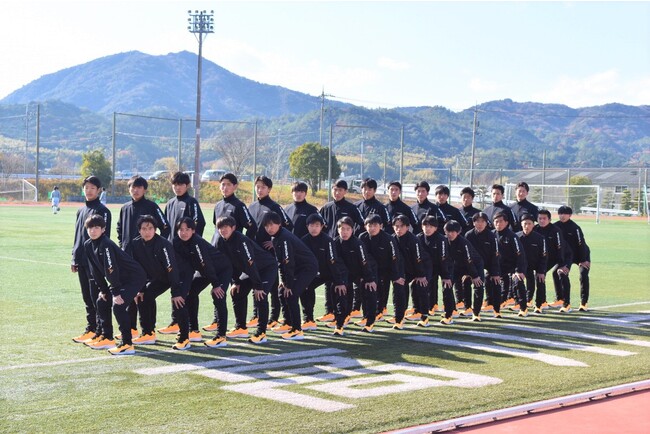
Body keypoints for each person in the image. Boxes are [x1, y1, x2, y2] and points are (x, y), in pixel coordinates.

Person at [199, 172, 257, 335]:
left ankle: (238, 326)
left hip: (232, 256)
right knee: (217, 287)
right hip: (216, 254)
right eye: (222, 184)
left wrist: (242, 245)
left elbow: (251, 226)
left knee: (230, 289)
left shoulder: (239, 205)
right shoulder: (218, 205)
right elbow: (216, 227)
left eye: (228, 184)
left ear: (235, 186)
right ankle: (217, 320)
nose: (225, 187)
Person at [128, 215, 193, 350]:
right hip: (160, 277)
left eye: (151, 228)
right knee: (144, 296)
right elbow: (137, 268)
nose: (147, 231)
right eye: (144, 229)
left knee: (178, 301)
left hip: (179, 275)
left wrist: (176, 292)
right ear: (139, 230)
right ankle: (148, 333)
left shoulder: (163, 244)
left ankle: (184, 338)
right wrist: (140, 288)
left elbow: (172, 269)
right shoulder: (135, 244)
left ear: (155, 229)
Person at [83, 215, 146, 355]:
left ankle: (127, 343)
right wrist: (104, 290)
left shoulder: (106, 244)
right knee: (101, 301)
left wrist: (116, 292)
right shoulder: (88, 245)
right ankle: (107, 337)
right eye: (90, 228)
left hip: (134, 277)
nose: (93, 231)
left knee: (118, 306)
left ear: (103, 229)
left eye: (97, 228)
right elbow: (95, 271)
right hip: (120, 279)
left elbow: (110, 269)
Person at [117, 175, 170, 338]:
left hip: (145, 260)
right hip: (127, 258)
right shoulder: (125, 207)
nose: (135, 190)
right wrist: (122, 246)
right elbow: (119, 228)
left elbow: (165, 227)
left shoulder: (151, 206)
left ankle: (148, 329)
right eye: (133, 187)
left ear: (145, 189)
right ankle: (131, 328)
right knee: (130, 293)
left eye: (139, 187)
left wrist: (155, 248)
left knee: (145, 294)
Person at [216, 216, 278, 344]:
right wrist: (236, 281)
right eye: (220, 227)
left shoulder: (241, 240)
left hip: (266, 268)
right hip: (249, 271)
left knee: (260, 295)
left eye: (226, 227)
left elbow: (251, 263)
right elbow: (228, 264)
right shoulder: (220, 241)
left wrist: (258, 286)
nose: (223, 230)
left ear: (233, 228)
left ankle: (261, 333)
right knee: (237, 292)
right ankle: (241, 328)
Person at [173, 217, 233, 347]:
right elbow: (186, 266)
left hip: (221, 269)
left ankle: (221, 336)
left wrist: (216, 285)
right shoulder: (176, 242)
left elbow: (206, 264)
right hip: (204, 269)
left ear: (193, 231)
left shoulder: (196, 242)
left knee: (218, 296)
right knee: (190, 293)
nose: (184, 233)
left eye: (187, 229)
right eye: (181, 230)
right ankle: (194, 330)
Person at [262, 212, 318, 340]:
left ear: (279, 224)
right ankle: (288, 323)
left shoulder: (284, 238)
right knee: (282, 292)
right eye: (266, 226)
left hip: (307, 268)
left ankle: (297, 330)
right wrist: (284, 281)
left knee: (291, 294)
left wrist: (289, 284)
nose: (269, 228)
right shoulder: (275, 237)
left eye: (271, 225)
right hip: (298, 268)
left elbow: (288, 263)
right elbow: (280, 261)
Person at [248, 175, 293, 330]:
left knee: (273, 286)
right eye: (258, 187)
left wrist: (275, 242)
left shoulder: (274, 206)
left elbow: (288, 225)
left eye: (263, 187)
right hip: (254, 252)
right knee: (256, 282)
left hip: (269, 254)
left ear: (269, 189)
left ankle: (273, 317)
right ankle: (256, 315)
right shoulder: (252, 206)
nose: (260, 190)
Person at [70, 176, 112, 344]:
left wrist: (100, 260)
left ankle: (102, 331)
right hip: (81, 260)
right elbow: (77, 237)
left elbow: (105, 238)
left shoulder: (103, 211)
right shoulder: (80, 211)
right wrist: (74, 257)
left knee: (98, 297)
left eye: (92, 188)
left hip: (95, 262)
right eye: (86, 187)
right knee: (87, 297)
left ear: (99, 190)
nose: (89, 191)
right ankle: (92, 328)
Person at [301, 213, 349, 329]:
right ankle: (309, 319)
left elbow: (333, 262)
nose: (314, 228)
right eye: (311, 225)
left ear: (322, 226)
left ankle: (339, 320)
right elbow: (301, 261)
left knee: (338, 288)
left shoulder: (328, 240)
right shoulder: (303, 240)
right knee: (305, 288)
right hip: (313, 274)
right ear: (307, 226)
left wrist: (339, 281)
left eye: (317, 225)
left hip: (330, 272)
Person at [334, 216, 379, 334]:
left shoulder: (358, 243)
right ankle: (339, 324)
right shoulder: (334, 243)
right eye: (342, 229)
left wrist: (370, 279)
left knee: (369, 292)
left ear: (352, 230)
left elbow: (365, 262)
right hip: (345, 274)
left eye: (347, 229)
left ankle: (369, 322)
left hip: (363, 272)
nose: (344, 232)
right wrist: (340, 281)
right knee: (341, 295)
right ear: (338, 229)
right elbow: (334, 264)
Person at [359, 214, 404, 327]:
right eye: (369, 225)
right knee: (365, 288)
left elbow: (395, 258)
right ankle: (367, 316)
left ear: (381, 226)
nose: (372, 228)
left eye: (375, 225)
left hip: (388, 269)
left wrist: (396, 276)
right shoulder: (362, 237)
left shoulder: (389, 239)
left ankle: (398, 318)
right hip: (369, 270)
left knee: (394, 289)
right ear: (365, 226)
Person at [392, 214, 431, 327]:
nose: (398, 229)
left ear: (407, 227)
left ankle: (424, 316)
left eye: (401, 226)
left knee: (421, 286)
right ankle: (399, 317)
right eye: (396, 226)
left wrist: (421, 275)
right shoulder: (392, 239)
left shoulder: (414, 240)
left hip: (422, 267)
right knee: (399, 288)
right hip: (405, 269)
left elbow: (419, 259)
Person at [444, 220, 484, 323]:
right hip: (458, 266)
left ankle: (476, 313)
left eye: (453, 232)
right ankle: (452, 310)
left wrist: (474, 276)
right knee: (447, 285)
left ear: (458, 232)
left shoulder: (464, 243)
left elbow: (469, 260)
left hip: (475, 264)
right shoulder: (444, 241)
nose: (450, 234)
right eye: (448, 231)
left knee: (478, 285)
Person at [555, 205, 591, 312]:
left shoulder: (575, 228)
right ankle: (563, 301)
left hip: (581, 254)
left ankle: (583, 303)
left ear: (570, 215)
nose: (562, 216)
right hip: (567, 255)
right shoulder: (555, 227)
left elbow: (581, 244)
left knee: (583, 274)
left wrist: (583, 259)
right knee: (559, 273)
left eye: (565, 214)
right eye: (560, 213)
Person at [465, 212, 502, 317]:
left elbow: (495, 255)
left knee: (496, 282)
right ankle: (470, 309)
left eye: (483, 221)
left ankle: (496, 309)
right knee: (467, 281)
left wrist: (495, 272)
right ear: (473, 223)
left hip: (490, 262)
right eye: (477, 221)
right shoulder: (469, 235)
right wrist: (468, 272)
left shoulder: (492, 236)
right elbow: (466, 254)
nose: (480, 224)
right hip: (473, 264)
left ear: (486, 223)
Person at [417, 216, 453, 320]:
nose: (427, 228)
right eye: (425, 226)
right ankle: (424, 310)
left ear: (436, 228)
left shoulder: (441, 239)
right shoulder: (418, 238)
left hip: (444, 266)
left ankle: (449, 314)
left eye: (430, 226)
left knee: (447, 287)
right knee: (422, 285)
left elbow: (444, 259)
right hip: (427, 266)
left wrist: (446, 276)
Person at [493, 212, 528, 316]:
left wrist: (519, 271)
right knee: (490, 278)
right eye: (496, 222)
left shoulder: (512, 236)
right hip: (500, 266)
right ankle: (493, 304)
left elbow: (520, 255)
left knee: (518, 281)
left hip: (515, 266)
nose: (498, 224)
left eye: (501, 221)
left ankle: (523, 307)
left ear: (506, 223)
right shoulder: (491, 235)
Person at [534, 209, 570, 310]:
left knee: (561, 273)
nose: (542, 221)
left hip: (563, 255)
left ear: (549, 219)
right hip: (546, 257)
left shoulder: (556, 230)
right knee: (539, 274)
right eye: (539, 218)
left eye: (544, 218)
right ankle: (543, 302)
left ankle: (566, 302)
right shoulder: (535, 229)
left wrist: (563, 264)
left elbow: (561, 248)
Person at [516, 213, 548, 314]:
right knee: (517, 281)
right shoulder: (516, 237)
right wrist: (516, 270)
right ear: (521, 224)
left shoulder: (540, 238)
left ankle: (539, 305)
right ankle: (522, 304)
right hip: (521, 266)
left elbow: (544, 256)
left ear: (533, 225)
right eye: (525, 224)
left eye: (529, 224)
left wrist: (541, 271)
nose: (527, 226)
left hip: (536, 265)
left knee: (540, 280)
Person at [164, 171, 206, 241]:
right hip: (171, 246)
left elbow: (199, 223)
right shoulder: (170, 203)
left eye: (180, 184)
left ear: (188, 185)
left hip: (185, 247)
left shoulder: (191, 202)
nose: (177, 188)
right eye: (175, 185)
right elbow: (165, 225)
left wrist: (192, 242)